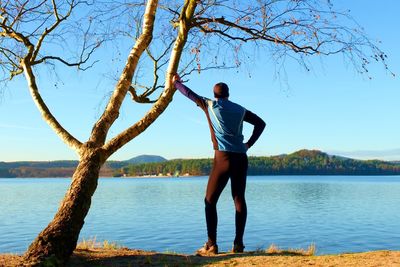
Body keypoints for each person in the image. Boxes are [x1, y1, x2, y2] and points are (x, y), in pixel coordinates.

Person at [172, 74, 266, 256]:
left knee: (210, 201)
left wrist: (175, 82)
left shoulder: (210, 105)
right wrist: (249, 144)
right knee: (239, 199)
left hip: (223, 158)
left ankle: (211, 244)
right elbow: (261, 124)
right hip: (241, 157)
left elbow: (188, 93)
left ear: (214, 94)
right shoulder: (240, 109)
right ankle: (238, 245)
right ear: (228, 94)